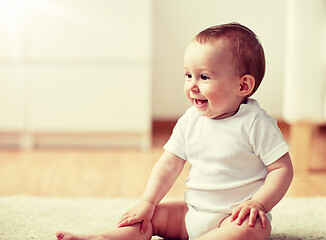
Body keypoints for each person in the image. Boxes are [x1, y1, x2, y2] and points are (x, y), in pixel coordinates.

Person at [56, 22, 293, 240]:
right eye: (188, 75)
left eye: (204, 77)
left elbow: (282, 169)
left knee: (253, 230)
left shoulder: (255, 123)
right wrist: (147, 202)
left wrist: (258, 204)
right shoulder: (190, 121)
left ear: (243, 85)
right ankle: (102, 239)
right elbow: (168, 165)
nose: (192, 85)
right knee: (147, 217)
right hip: (192, 212)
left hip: (236, 218)